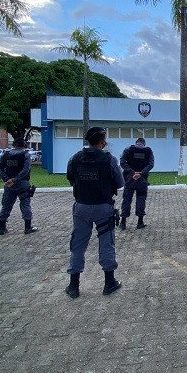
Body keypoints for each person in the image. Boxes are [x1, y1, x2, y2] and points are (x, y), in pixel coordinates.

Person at [64, 127, 125, 299]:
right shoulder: (109, 159)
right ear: (102, 141)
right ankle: (109, 283)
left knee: (77, 245)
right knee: (106, 244)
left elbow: (70, 178)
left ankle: (73, 286)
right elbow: (119, 183)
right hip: (103, 207)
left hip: (81, 207)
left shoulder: (75, 158)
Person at [0, 138, 38, 235]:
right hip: (22, 183)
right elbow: (25, 170)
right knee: (25, 204)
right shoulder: (25, 155)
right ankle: (27, 227)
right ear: (24, 145)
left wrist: (7, 179)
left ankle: (2, 228)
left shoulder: (5, 154)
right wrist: (15, 179)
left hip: (9, 185)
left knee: (6, 205)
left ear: (14, 144)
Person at [119, 137, 155, 230]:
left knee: (126, 200)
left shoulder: (128, 150)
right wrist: (141, 173)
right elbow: (151, 164)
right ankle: (140, 222)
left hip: (129, 179)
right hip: (142, 180)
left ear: (136, 143)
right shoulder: (148, 151)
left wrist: (132, 172)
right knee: (141, 200)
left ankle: (123, 223)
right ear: (144, 144)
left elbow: (122, 162)